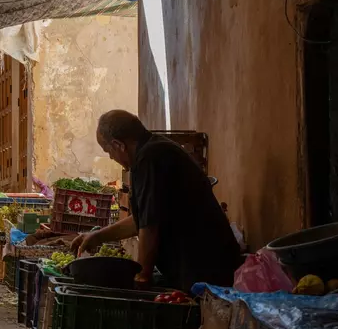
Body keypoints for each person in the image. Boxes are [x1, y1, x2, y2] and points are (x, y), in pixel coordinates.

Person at [71, 110, 242, 292]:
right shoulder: (153, 151)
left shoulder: (150, 159)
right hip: (203, 266)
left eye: (108, 151)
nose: (112, 158)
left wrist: (142, 277)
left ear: (118, 145)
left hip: (205, 270)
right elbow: (143, 218)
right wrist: (97, 236)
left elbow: (149, 226)